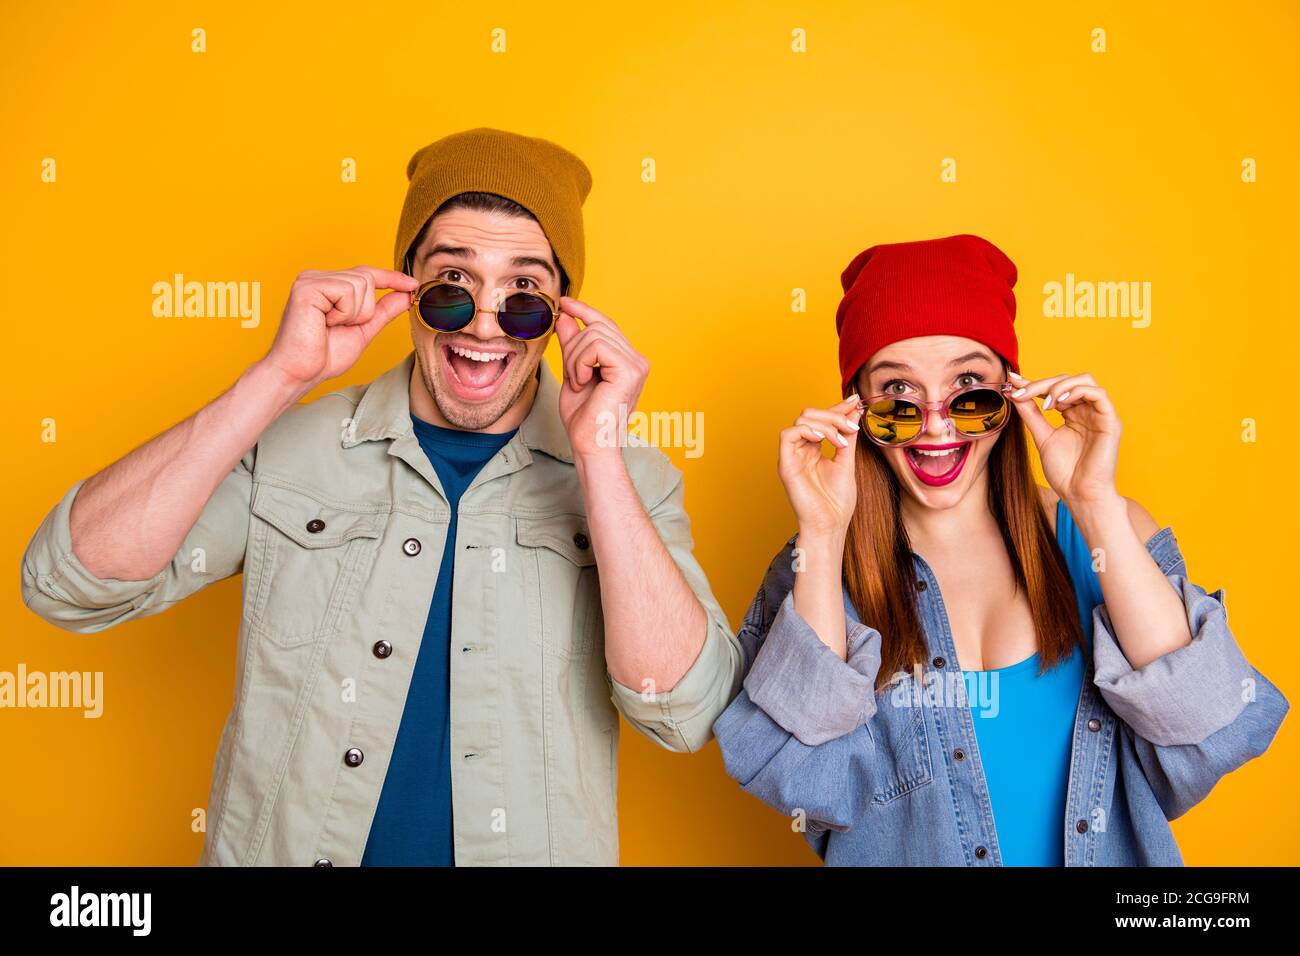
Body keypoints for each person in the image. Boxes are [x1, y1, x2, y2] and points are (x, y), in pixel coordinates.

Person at [20, 127, 741, 866]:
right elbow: (69, 584)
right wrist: (278, 379)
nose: (486, 323)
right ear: (405, 288)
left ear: (566, 315)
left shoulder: (631, 481)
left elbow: (684, 712)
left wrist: (598, 457)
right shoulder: (293, 451)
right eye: (452, 285)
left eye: (525, 293)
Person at [712, 233, 1288, 865]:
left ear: (1011, 395)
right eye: (898, 396)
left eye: (969, 388)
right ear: (857, 412)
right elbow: (803, 784)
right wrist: (822, 537)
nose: (936, 424)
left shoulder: (1100, 531)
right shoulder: (816, 570)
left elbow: (1211, 725)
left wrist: (1092, 502)